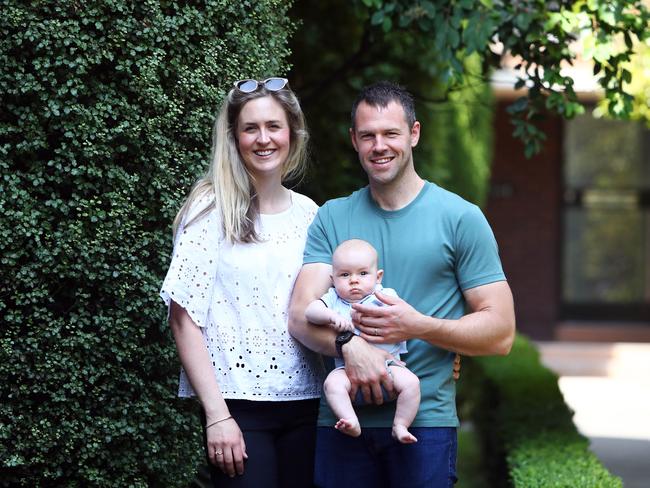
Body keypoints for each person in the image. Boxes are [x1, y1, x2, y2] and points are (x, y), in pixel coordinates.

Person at [288, 81, 516, 487]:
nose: (380, 145)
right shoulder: (331, 217)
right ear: (354, 140)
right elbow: (300, 318)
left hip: (424, 424)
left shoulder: (460, 218)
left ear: (413, 134)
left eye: (391, 133)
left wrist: (418, 326)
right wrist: (350, 346)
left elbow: (500, 333)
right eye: (368, 135)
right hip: (342, 420)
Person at [160, 77, 324, 488]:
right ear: (234, 137)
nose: (263, 138)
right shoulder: (209, 209)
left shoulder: (311, 215)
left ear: (292, 133)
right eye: (251, 128)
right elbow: (183, 320)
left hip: (311, 404)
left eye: (274, 126)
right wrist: (217, 415)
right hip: (239, 410)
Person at [305, 239, 420, 444]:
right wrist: (329, 316)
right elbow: (310, 311)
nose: (354, 280)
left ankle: (401, 424)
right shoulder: (333, 299)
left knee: (411, 383)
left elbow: (405, 319)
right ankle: (350, 419)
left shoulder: (385, 296)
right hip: (347, 370)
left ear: (378, 277)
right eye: (345, 274)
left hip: (390, 365)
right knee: (332, 384)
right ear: (333, 279)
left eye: (362, 273)